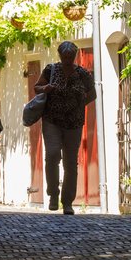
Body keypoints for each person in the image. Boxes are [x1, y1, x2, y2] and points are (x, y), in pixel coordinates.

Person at [33, 41, 96, 215]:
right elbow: (36, 87)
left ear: (74, 56)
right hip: (52, 120)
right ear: (60, 55)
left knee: (70, 162)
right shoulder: (51, 70)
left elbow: (93, 94)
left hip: (74, 123)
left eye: (71, 56)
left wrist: (79, 102)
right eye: (65, 56)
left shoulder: (82, 74)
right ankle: (53, 193)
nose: (68, 59)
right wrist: (46, 88)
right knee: (52, 155)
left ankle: (67, 202)